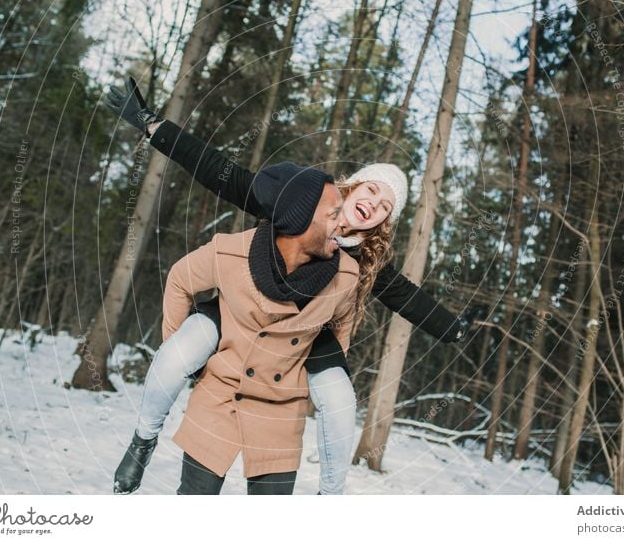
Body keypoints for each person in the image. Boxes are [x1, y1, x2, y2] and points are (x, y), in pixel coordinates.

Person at [107, 78, 484, 495]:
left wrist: (454, 329)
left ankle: (329, 495)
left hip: (304, 333)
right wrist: (153, 127)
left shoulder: (364, 260)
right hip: (242, 305)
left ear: (383, 221)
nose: (373, 204)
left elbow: (405, 296)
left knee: (340, 401)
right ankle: (143, 439)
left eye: (385, 207)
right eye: (372, 189)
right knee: (176, 354)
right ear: (354, 184)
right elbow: (220, 173)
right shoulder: (300, 201)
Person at [167, 161, 358, 494]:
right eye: (333, 214)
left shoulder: (346, 275)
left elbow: (343, 322)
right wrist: (182, 358)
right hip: (219, 397)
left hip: (282, 412)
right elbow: (180, 280)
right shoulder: (232, 251)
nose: (345, 222)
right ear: (299, 222)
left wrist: (321, 370)